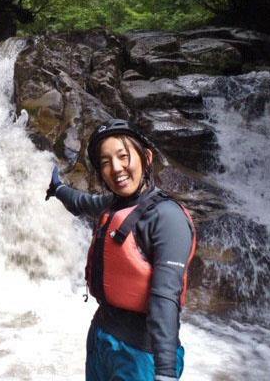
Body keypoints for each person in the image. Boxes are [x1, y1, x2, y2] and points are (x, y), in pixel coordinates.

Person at [46, 119, 196, 381]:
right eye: (105, 162)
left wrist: (165, 373)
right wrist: (58, 189)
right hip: (102, 336)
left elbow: (165, 299)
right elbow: (81, 201)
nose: (115, 168)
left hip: (141, 353)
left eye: (123, 156)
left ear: (146, 157)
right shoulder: (114, 204)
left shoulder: (167, 218)